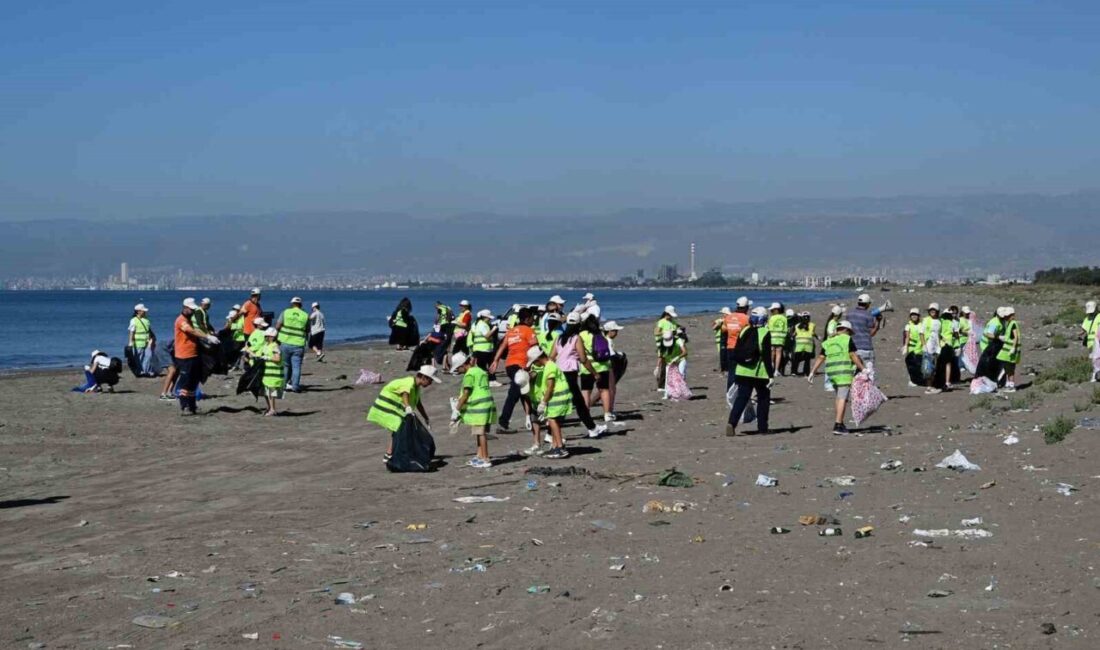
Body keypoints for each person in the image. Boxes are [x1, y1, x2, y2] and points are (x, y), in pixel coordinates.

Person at [551, 312, 607, 437]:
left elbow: (551, 356)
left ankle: (592, 427)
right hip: (570, 373)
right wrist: (595, 373)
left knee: (570, 402)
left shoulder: (559, 338)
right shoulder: (576, 338)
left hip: (559, 373)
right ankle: (592, 428)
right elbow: (583, 359)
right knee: (576, 402)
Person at [367, 365, 439, 462]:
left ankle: (390, 454)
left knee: (400, 428)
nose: (431, 383)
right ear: (423, 377)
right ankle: (389, 454)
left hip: (396, 409)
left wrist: (426, 418)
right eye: (430, 380)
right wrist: (407, 407)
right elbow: (405, 393)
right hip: (386, 406)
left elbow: (418, 404)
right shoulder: (409, 382)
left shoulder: (416, 388)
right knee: (399, 427)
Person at [808, 320, 866, 434]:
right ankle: (838, 424)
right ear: (847, 330)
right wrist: (863, 369)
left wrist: (812, 372)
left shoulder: (829, 341)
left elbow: (821, 357)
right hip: (843, 372)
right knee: (843, 398)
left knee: (839, 397)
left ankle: (840, 421)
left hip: (831, 373)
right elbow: (852, 355)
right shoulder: (847, 339)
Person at [726, 307, 774, 436]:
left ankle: (732, 422)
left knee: (742, 398)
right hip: (759, 372)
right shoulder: (765, 332)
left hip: (742, 370)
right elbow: (766, 356)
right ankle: (763, 427)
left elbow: (737, 349)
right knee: (763, 398)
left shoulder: (744, 330)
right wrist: (771, 375)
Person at [490, 307, 538, 433]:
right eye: (533, 318)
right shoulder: (528, 331)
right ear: (527, 319)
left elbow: (502, 346)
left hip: (510, 365)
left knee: (523, 392)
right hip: (521, 366)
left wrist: (495, 360)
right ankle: (503, 423)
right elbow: (536, 347)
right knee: (514, 394)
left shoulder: (512, 331)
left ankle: (532, 418)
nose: (534, 320)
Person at [450, 351, 496, 468]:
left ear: (462, 365)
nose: (458, 371)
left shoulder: (469, 375)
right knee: (479, 432)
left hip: (478, 407)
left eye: (458, 369)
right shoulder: (480, 371)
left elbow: (466, 394)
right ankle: (479, 455)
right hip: (487, 404)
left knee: (480, 433)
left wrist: (456, 410)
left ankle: (486, 459)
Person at [526, 346, 572, 459]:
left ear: (538, 359)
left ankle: (560, 448)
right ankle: (556, 445)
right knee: (554, 421)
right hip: (558, 398)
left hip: (557, 397)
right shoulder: (549, 365)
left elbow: (550, 387)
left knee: (552, 420)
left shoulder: (549, 367)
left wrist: (543, 403)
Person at [175, 298, 219, 416]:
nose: (193, 311)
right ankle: (184, 407)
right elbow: (192, 331)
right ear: (185, 308)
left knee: (194, 381)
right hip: (184, 355)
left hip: (193, 353)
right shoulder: (181, 321)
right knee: (185, 381)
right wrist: (207, 336)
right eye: (191, 309)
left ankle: (192, 406)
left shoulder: (189, 320)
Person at [579, 314, 614, 420]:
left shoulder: (582, 334)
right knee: (604, 390)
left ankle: (586, 414)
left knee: (586, 391)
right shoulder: (600, 334)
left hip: (587, 367)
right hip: (603, 366)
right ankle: (607, 413)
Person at [276, 297, 309, 392]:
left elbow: (278, 326)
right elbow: (308, 330)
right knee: (296, 366)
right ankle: (295, 386)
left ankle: (284, 385)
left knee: (286, 365)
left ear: (292, 304)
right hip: (298, 343)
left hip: (285, 342)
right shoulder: (305, 315)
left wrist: (275, 338)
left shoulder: (285, 312)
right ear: (301, 305)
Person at [722, 297, 751, 390]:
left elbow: (724, 330)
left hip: (730, 346)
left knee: (731, 371)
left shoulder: (728, 318)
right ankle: (739, 391)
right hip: (741, 348)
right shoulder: (747, 319)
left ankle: (729, 392)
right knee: (742, 371)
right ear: (746, 307)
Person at [847, 293, 880, 371]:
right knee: (868, 373)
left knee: (853, 374)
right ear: (868, 304)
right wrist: (877, 323)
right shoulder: (868, 315)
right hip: (865, 348)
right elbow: (871, 333)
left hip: (852, 348)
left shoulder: (849, 314)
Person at [929, 306, 958, 393]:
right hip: (949, 345)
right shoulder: (954, 323)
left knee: (939, 364)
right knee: (948, 364)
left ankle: (937, 382)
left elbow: (937, 332)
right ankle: (947, 381)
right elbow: (956, 335)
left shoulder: (940, 321)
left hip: (941, 345)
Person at [256, 327, 284, 415]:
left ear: (271, 337)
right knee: (266, 392)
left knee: (271, 392)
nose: (265, 338)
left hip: (273, 373)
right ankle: (270, 408)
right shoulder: (266, 345)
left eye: (267, 336)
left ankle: (272, 409)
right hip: (266, 373)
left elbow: (277, 358)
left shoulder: (275, 346)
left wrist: (268, 358)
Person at [602, 320, 627, 414]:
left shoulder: (606, 339)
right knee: (611, 389)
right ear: (610, 331)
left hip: (607, 367)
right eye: (615, 331)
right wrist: (620, 355)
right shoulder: (607, 341)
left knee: (608, 389)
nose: (617, 333)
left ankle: (609, 409)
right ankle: (609, 410)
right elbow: (611, 355)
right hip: (609, 367)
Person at [653, 306, 679, 391]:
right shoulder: (661, 322)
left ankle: (670, 383)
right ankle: (661, 385)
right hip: (664, 345)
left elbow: (676, 329)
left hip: (673, 345)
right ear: (666, 314)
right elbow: (656, 332)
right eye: (670, 315)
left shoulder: (673, 322)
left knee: (672, 364)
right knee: (664, 365)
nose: (671, 317)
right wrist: (667, 332)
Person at [128, 303, 157, 377]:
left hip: (147, 342)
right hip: (138, 343)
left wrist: (153, 338)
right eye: (143, 310)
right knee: (139, 358)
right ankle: (141, 371)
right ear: (138, 311)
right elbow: (131, 332)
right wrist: (130, 342)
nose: (145, 312)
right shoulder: (133, 320)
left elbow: (149, 330)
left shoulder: (146, 320)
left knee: (149, 356)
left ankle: (147, 371)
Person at [996, 307, 1021, 392]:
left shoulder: (1013, 323)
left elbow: (1015, 336)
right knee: (1007, 367)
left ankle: (1011, 385)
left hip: (1010, 350)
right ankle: (1008, 384)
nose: (1006, 318)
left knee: (1010, 367)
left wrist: (1013, 347)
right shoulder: (1009, 323)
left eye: (1008, 316)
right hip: (1008, 349)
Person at [658, 328, 688, 400]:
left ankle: (681, 392)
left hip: (680, 360)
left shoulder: (679, 341)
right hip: (670, 361)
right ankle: (667, 394)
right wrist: (657, 367)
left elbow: (685, 352)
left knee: (681, 374)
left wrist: (677, 358)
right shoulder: (662, 344)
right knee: (668, 377)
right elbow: (661, 356)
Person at [901, 308, 925, 387]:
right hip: (911, 348)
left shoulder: (921, 325)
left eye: (915, 315)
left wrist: (924, 346)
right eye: (912, 315)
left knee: (919, 364)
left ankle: (919, 379)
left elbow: (922, 336)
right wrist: (905, 346)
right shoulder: (908, 326)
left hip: (919, 348)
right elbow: (907, 337)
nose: (914, 316)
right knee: (910, 364)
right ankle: (912, 380)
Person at [469, 309, 497, 374]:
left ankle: (491, 379)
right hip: (483, 349)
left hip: (482, 348)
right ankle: (489, 380)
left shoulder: (480, 324)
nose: (490, 319)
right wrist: (493, 329)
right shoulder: (482, 324)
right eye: (489, 318)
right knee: (483, 367)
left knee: (484, 366)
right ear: (485, 317)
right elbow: (487, 336)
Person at [791, 312, 817, 376]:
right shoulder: (812, 325)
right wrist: (817, 337)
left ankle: (794, 372)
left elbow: (794, 334)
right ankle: (806, 372)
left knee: (796, 358)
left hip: (799, 344)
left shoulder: (797, 326)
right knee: (807, 360)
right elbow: (813, 333)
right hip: (808, 344)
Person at [766, 303, 788, 375]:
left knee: (772, 352)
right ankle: (776, 370)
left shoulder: (772, 318)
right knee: (779, 354)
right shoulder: (784, 318)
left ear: (776, 310)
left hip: (772, 337)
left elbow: (769, 328)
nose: (771, 312)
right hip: (781, 337)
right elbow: (785, 329)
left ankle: (771, 366)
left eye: (772, 310)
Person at [713, 307, 730, 372]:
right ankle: (722, 367)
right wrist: (718, 323)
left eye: (723, 313)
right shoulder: (720, 320)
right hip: (720, 338)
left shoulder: (727, 320)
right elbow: (713, 327)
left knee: (724, 353)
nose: (723, 315)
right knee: (721, 353)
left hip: (724, 339)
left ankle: (723, 367)